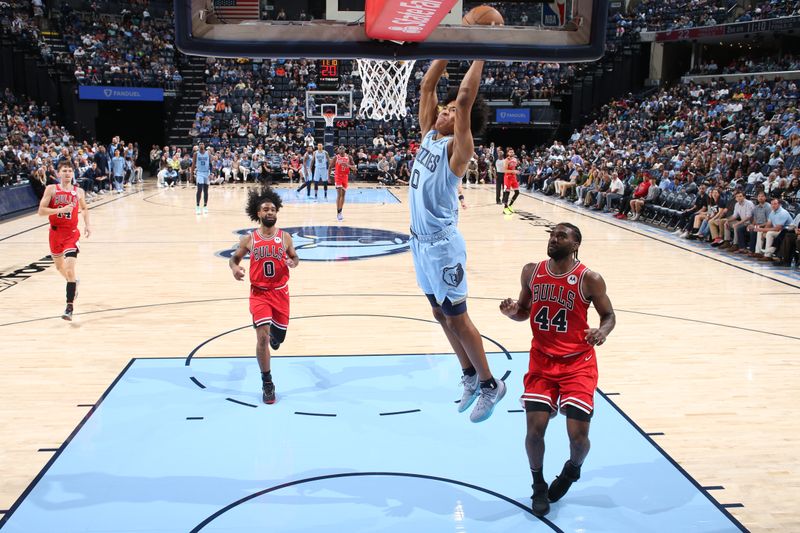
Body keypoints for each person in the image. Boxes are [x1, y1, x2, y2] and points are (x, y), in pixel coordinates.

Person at [410, 56, 505, 423]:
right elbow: (426, 87)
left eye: (449, 112)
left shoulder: (458, 153)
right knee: (439, 314)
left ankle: (489, 383)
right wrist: (444, 48)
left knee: (458, 319)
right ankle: (468, 375)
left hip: (443, 246)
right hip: (419, 244)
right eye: (444, 110)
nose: (443, 113)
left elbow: (465, 98)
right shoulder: (429, 136)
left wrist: (478, 48)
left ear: (459, 123)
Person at [499, 223, 615, 517]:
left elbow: (609, 315)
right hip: (542, 361)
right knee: (535, 431)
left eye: (561, 236)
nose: (553, 239)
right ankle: (538, 484)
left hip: (578, 363)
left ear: (575, 244)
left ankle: (571, 470)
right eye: (552, 234)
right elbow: (524, 312)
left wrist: (602, 332)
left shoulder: (590, 278)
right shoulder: (531, 271)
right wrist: (513, 312)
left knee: (578, 437)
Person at [229, 187, 299, 404]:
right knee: (261, 338)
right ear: (258, 213)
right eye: (265, 209)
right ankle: (267, 382)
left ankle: (274, 337)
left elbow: (295, 258)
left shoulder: (285, 237)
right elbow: (234, 259)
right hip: (259, 293)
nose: (270, 212)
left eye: (273, 209)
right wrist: (234, 269)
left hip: (280, 293)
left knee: (278, 338)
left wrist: (292, 262)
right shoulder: (249, 239)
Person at [37, 160, 92, 320]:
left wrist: (88, 225)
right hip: (54, 234)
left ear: (73, 173)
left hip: (71, 234)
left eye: (70, 170)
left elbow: (85, 208)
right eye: (64, 170)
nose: (68, 173)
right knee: (60, 268)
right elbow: (40, 211)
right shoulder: (51, 189)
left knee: (69, 268)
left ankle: (69, 307)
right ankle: (74, 282)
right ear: (58, 173)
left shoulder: (78, 191)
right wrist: (60, 209)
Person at [333, 146, 356, 221]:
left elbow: (355, 168)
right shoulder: (336, 157)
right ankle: (338, 212)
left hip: (345, 177)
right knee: (339, 195)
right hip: (338, 176)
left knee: (343, 195)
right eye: (340, 148)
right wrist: (328, 177)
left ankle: (340, 211)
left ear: (345, 150)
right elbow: (330, 166)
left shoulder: (349, 157)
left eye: (342, 148)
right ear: (338, 150)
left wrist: (348, 166)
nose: (341, 150)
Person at [192, 143, 211, 214]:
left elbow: (211, 164)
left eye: (202, 144)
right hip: (199, 172)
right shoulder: (195, 154)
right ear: (198, 146)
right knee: (199, 189)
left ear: (204, 146)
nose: (201, 145)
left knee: (206, 190)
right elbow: (193, 164)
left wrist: (211, 173)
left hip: (206, 173)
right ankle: (197, 206)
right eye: (200, 144)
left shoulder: (208, 153)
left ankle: (205, 206)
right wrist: (191, 176)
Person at [502, 148, 521, 214]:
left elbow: (515, 168)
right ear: (508, 153)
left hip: (513, 177)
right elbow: (504, 170)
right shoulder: (506, 160)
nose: (511, 153)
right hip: (507, 177)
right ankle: (505, 208)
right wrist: (514, 171)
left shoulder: (515, 159)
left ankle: (510, 205)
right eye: (510, 152)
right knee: (507, 193)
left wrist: (517, 171)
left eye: (512, 152)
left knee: (517, 192)